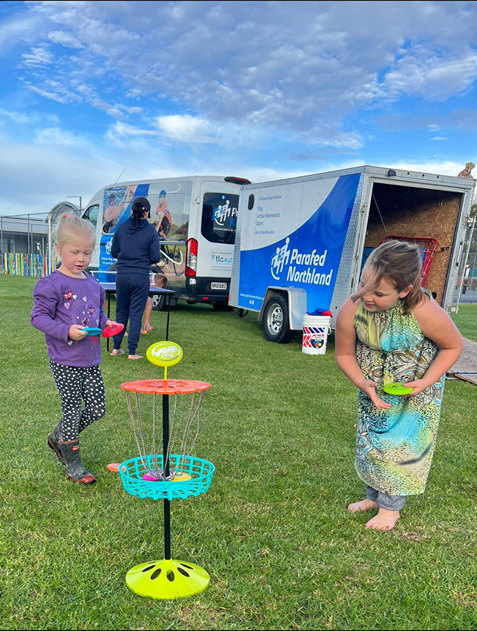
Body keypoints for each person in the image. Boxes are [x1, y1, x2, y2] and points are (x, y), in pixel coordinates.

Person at [335, 240, 463, 531]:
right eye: (363, 284)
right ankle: (374, 497)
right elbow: (343, 353)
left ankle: (391, 510)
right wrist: (361, 382)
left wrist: (426, 382)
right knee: (371, 444)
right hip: (374, 390)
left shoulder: (423, 310)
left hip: (416, 394)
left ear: (404, 291)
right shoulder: (354, 307)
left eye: (378, 293)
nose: (366, 296)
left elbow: (453, 346)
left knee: (399, 448)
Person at [31, 214, 119, 485]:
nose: (81, 258)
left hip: (90, 359)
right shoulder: (51, 284)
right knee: (72, 409)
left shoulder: (93, 284)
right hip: (64, 358)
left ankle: (59, 438)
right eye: (74, 252)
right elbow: (38, 318)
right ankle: (73, 463)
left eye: (87, 252)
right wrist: (65, 331)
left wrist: (107, 324)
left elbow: (97, 316)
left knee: (97, 409)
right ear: (58, 248)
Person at [110, 197, 161, 359]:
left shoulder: (122, 228)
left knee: (121, 312)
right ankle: (132, 352)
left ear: (132, 210)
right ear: (147, 213)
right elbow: (155, 256)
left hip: (122, 275)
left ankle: (116, 348)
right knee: (136, 313)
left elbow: (114, 252)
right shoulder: (151, 232)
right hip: (140, 276)